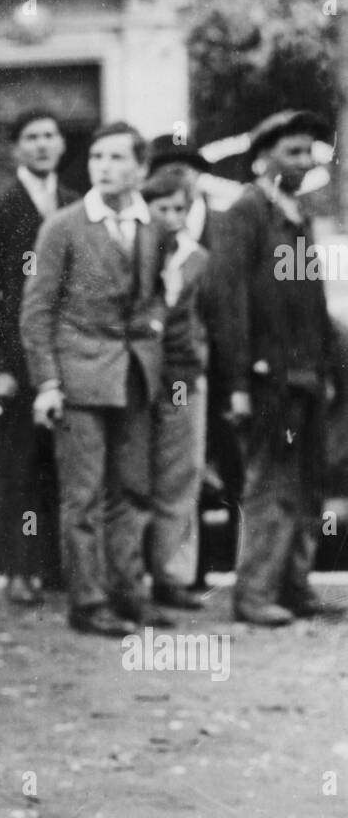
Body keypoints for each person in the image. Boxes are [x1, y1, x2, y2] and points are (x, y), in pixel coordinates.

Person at [19, 121, 170, 637]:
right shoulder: (63, 226)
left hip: (133, 377)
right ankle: (88, 602)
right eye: (98, 157)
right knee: (81, 498)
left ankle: (131, 595)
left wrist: (151, 347)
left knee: (132, 491)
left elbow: (152, 300)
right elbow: (36, 312)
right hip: (78, 377)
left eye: (117, 158)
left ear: (141, 169)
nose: (104, 167)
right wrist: (47, 385)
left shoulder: (150, 226)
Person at [211, 109, 337, 626]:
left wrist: (328, 368)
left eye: (309, 151)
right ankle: (256, 593)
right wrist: (239, 381)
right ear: (263, 158)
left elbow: (313, 300)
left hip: (307, 375)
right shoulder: (247, 212)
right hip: (270, 377)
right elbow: (229, 301)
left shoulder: (298, 216)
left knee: (308, 485)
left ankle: (295, 586)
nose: (304, 161)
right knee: (270, 485)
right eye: (292, 151)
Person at [0, 109, 78, 604]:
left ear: (61, 145)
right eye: (32, 138)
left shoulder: (76, 205)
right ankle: (19, 568)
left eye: (50, 136)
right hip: (19, 366)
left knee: (67, 466)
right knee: (20, 469)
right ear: (16, 148)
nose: (42, 146)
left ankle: (60, 568)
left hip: (70, 360)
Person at [142, 166, 210, 609]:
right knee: (131, 480)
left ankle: (173, 575)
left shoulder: (198, 259)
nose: (170, 216)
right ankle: (129, 577)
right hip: (142, 378)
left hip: (183, 378)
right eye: (161, 207)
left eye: (179, 208)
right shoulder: (137, 250)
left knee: (181, 477)